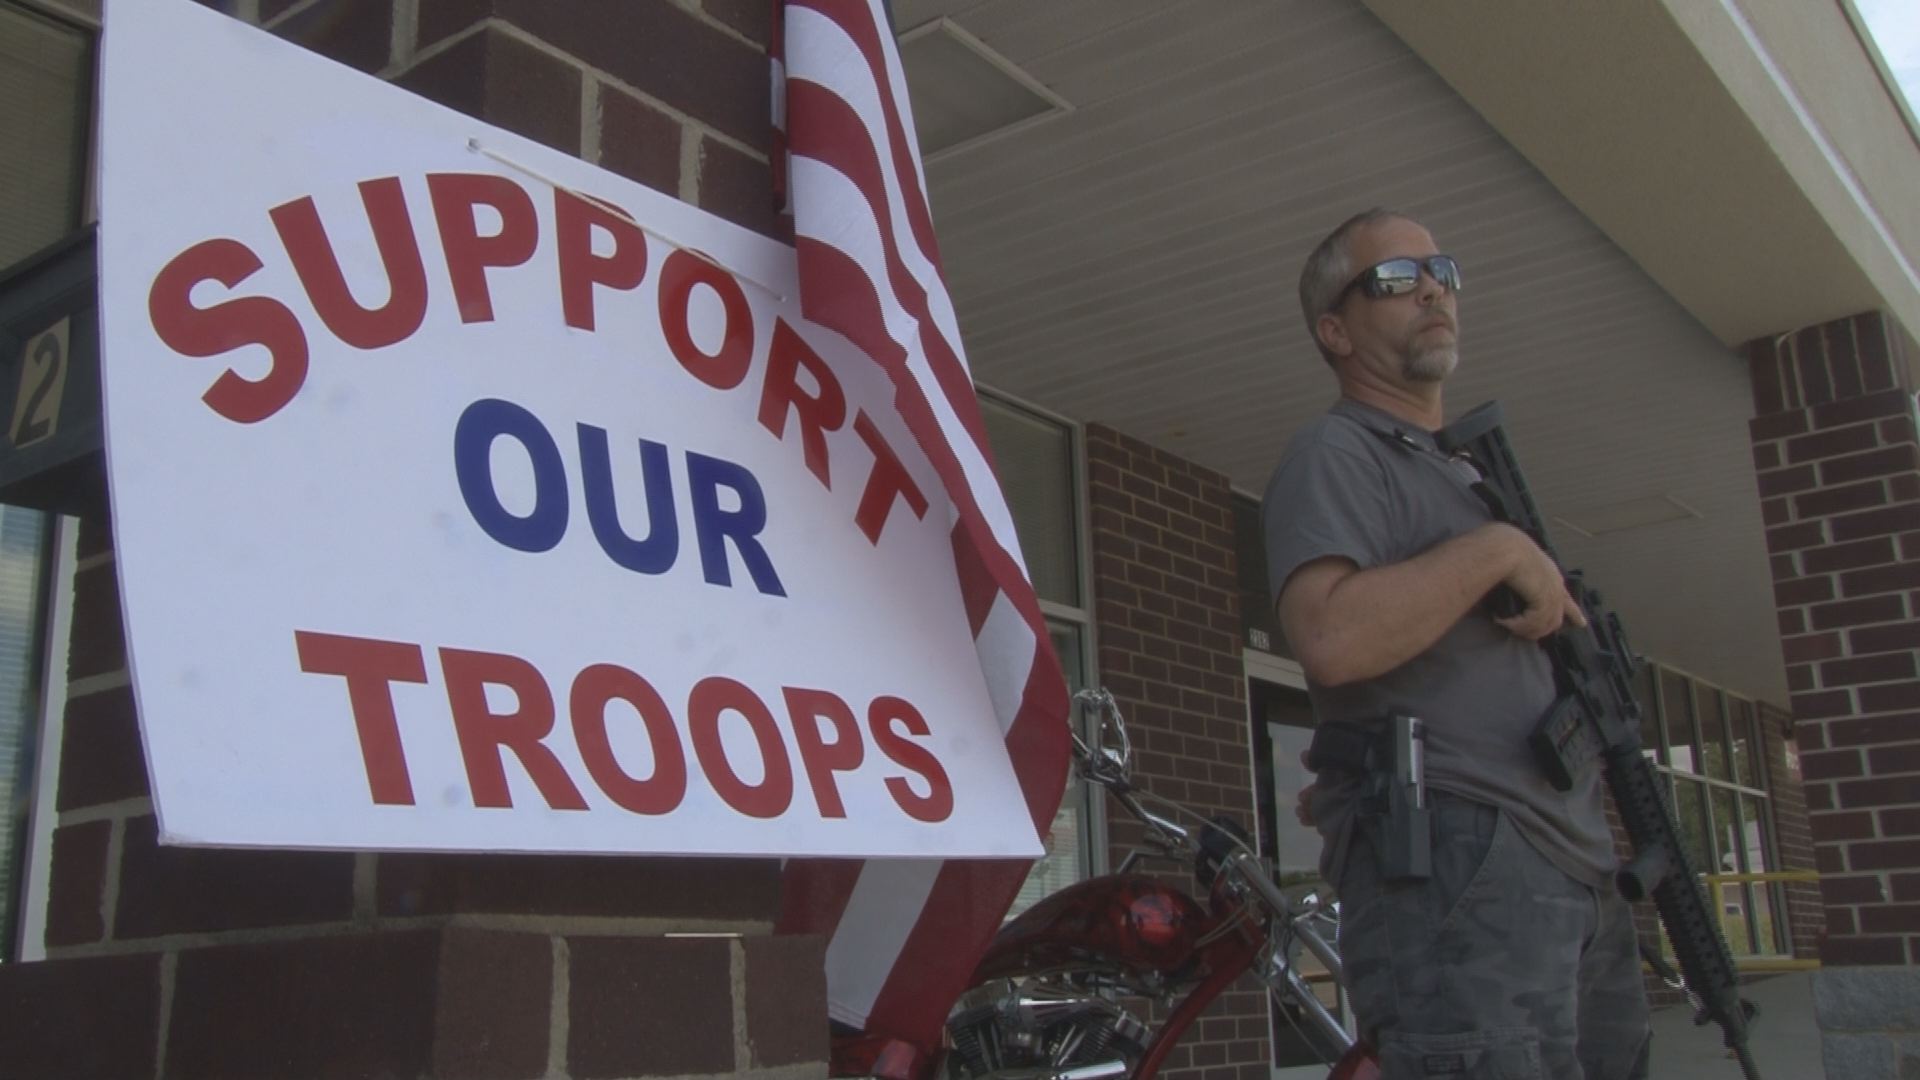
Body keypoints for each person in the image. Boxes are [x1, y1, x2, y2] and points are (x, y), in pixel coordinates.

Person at [1262, 209, 1651, 1079]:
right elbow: (1329, 636)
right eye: (1395, 280)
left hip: (1570, 866)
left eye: (1440, 270)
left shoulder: (1465, 473)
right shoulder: (1336, 452)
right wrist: (1500, 552)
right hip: (1463, 868)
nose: (1432, 287)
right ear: (1335, 329)